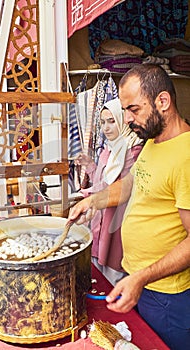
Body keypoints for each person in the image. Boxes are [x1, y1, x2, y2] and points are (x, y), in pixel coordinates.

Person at [68, 64, 190, 350]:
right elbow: (130, 185)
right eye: (125, 110)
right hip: (139, 280)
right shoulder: (154, 140)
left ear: (163, 102)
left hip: (166, 294)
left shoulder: (185, 156)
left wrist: (142, 277)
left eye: (133, 109)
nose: (127, 119)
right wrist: (92, 201)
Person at [75, 98, 143, 285]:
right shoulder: (108, 149)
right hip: (100, 216)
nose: (106, 128)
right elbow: (102, 179)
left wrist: (88, 197)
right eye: (103, 122)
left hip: (116, 219)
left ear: (122, 120)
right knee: (97, 269)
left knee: (114, 272)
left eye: (111, 121)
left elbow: (118, 187)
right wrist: (90, 166)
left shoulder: (134, 151)